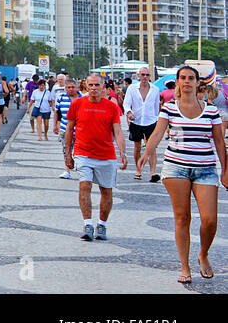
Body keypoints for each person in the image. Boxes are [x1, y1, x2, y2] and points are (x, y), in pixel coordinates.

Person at [138, 64, 228, 284]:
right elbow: (158, 133)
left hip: (205, 168)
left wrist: (225, 170)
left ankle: (203, 254)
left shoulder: (211, 111)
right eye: (183, 78)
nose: (187, 81)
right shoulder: (169, 108)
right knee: (182, 217)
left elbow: (219, 141)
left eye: (191, 78)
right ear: (177, 82)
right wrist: (144, 155)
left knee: (209, 220)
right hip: (176, 167)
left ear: (198, 83)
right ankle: (185, 266)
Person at [64, 75, 127, 242]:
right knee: (84, 185)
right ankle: (87, 224)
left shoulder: (111, 107)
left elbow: (118, 131)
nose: (93, 88)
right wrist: (67, 154)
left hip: (106, 155)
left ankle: (102, 224)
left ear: (103, 87)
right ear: (85, 86)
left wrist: (122, 152)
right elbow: (69, 130)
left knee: (106, 190)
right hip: (83, 153)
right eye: (90, 85)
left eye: (97, 85)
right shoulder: (77, 104)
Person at [123, 66, 160, 181]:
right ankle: (138, 170)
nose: (145, 77)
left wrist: (157, 119)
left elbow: (156, 106)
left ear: (150, 76)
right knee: (137, 147)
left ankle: (153, 173)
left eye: (147, 75)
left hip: (151, 121)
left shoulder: (155, 89)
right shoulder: (132, 88)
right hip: (136, 121)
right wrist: (129, 112)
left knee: (151, 147)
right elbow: (126, 103)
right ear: (138, 75)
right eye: (142, 74)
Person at [53, 78, 80, 178]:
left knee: (79, 150)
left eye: (73, 87)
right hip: (65, 128)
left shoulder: (82, 98)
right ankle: (67, 170)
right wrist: (55, 125)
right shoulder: (61, 97)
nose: (71, 89)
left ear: (77, 88)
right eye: (69, 87)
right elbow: (57, 112)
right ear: (65, 88)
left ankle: (80, 168)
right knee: (66, 149)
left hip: (80, 129)